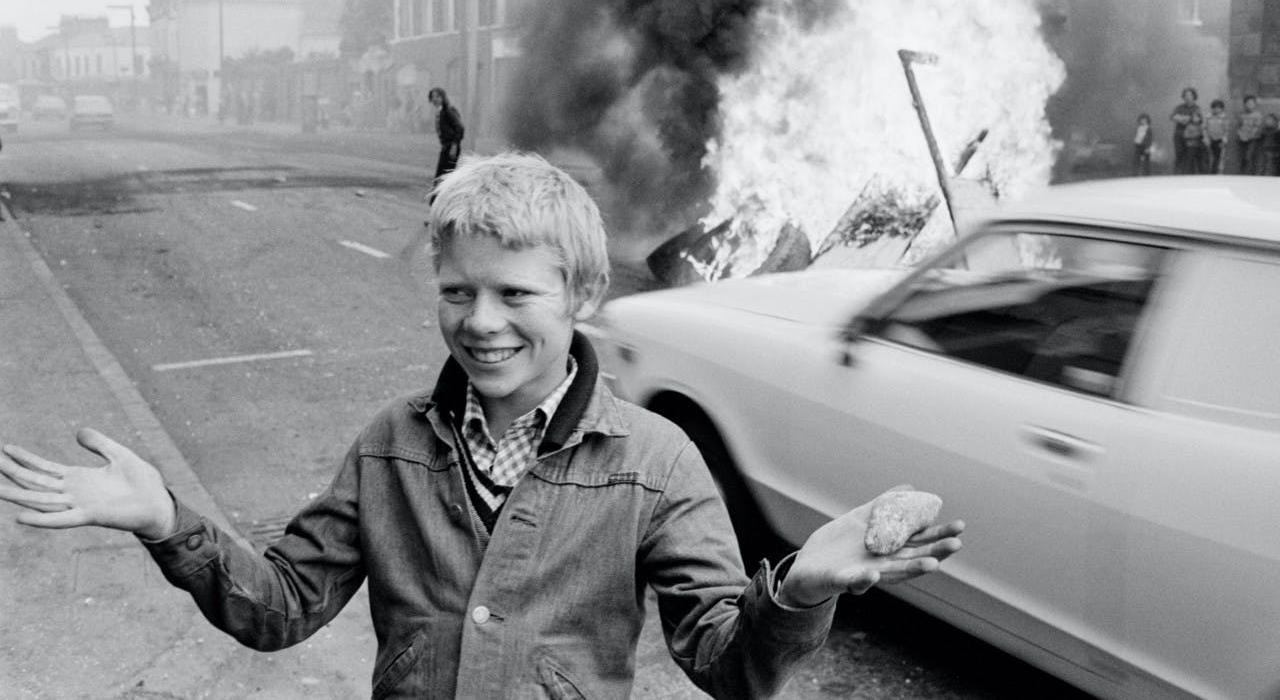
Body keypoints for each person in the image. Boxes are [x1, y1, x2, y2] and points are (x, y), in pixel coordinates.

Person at [0, 153, 963, 699]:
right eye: (457, 290)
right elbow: (282, 605)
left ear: (582, 293)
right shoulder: (391, 446)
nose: (482, 319)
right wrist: (165, 518)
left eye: (515, 291)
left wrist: (800, 586)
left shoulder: (657, 465)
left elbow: (727, 658)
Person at [429, 87, 465, 200]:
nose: (435, 99)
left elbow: (460, 128)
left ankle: (442, 203)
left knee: (444, 177)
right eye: (433, 97)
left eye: (438, 96)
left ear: (443, 97)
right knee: (442, 177)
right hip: (446, 147)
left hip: (451, 147)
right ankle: (439, 205)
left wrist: (454, 145)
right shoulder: (440, 112)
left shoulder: (448, 111)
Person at [1169, 86, 1199, 174]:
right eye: (1185, 95)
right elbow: (1173, 117)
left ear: (1194, 96)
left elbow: (1197, 120)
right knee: (1179, 155)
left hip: (1191, 136)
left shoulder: (1197, 108)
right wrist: (1188, 118)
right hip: (1179, 135)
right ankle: (1177, 176)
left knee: (1190, 157)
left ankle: (1189, 177)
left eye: (1189, 95)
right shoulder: (1179, 107)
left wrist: (1182, 118)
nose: (1187, 97)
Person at [1237, 94, 1265, 175]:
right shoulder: (1242, 115)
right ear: (1244, 104)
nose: (1250, 105)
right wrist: (1240, 134)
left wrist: (1248, 136)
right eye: (1248, 103)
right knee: (1243, 157)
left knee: (1249, 157)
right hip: (1242, 139)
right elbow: (1239, 126)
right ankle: (1243, 174)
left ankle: (1251, 175)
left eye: (1252, 103)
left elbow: (1257, 127)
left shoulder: (1258, 115)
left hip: (1253, 139)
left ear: (1255, 104)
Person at [1204, 99, 1230, 174]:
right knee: (1211, 158)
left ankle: (1219, 173)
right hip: (1210, 140)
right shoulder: (1208, 117)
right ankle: (1211, 173)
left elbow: (1226, 130)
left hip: (1220, 140)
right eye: (1214, 107)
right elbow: (1204, 128)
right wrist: (1206, 138)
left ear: (1222, 108)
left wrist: (1224, 139)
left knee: (1220, 158)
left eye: (1219, 108)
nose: (1216, 109)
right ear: (1212, 108)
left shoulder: (1224, 117)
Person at [1182, 109, 1208, 174]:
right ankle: (1188, 175)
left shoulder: (1201, 126)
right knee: (1190, 162)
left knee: (1201, 162)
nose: (1196, 119)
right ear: (1191, 118)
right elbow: (1185, 136)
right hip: (1191, 146)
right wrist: (1196, 135)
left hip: (1200, 147)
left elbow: (1205, 135)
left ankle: (1202, 174)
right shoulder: (1189, 126)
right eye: (1194, 117)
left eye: (1198, 117)